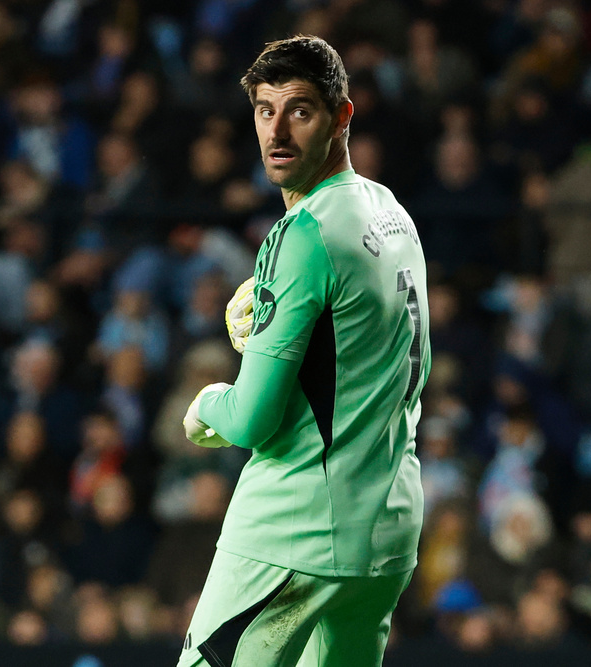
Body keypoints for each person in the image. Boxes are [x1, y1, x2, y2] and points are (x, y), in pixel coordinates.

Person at [178, 35, 431, 667]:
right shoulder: (392, 212)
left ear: (343, 116)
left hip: (294, 535)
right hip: (387, 530)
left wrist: (208, 403)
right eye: (265, 110)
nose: (278, 131)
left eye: (301, 110)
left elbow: (254, 419)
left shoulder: (302, 235)